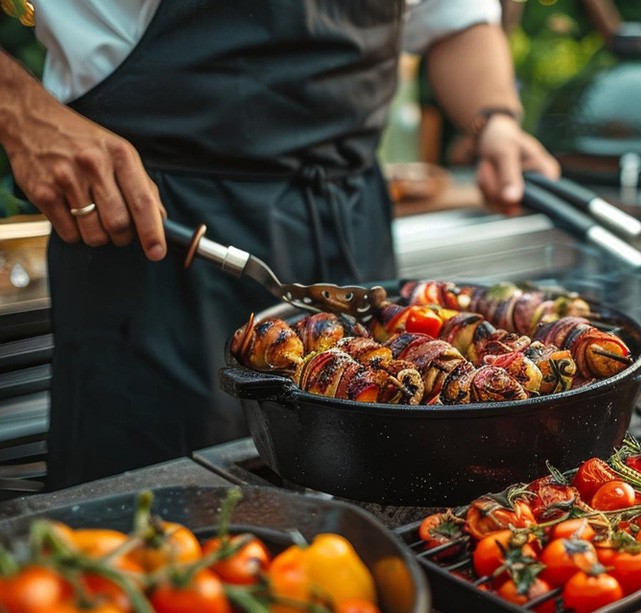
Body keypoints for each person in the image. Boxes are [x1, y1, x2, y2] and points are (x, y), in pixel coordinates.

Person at [0, 1, 560, 489]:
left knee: (378, 504)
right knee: (154, 529)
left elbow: (453, 18)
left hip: (350, 234)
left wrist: (494, 120)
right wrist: (23, 112)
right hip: (156, 229)